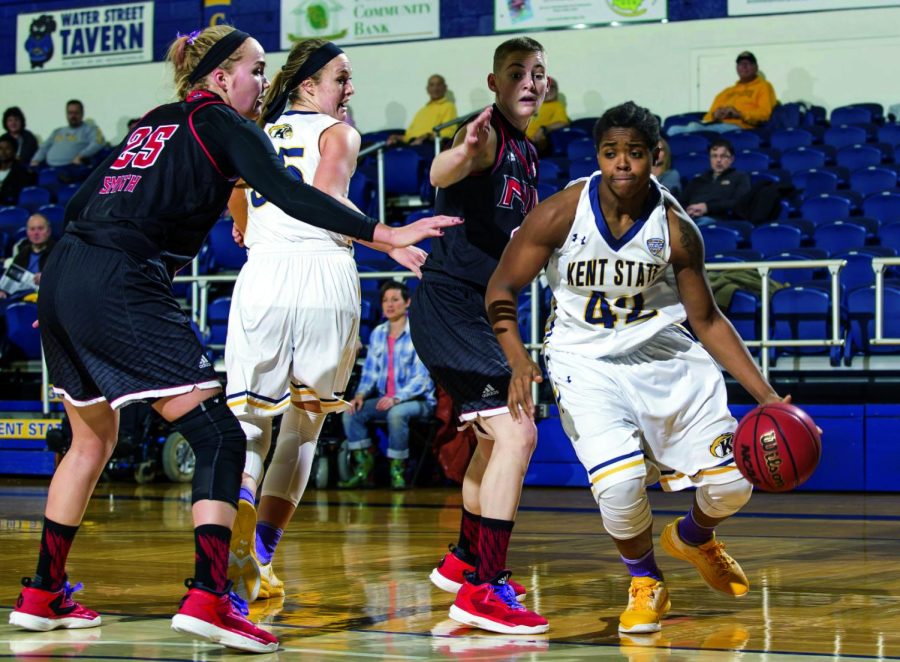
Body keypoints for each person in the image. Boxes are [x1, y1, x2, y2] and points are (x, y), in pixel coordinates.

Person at [6, 25, 458, 654]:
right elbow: (295, 196)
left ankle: (42, 592)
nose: (263, 80)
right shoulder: (221, 121)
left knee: (90, 440)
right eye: (255, 67)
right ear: (219, 78)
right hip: (124, 276)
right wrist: (388, 233)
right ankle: (210, 597)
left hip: (64, 273)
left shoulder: (155, 119)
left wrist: (73, 291)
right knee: (220, 435)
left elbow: (82, 199)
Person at [484, 100, 789, 635]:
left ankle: (693, 537)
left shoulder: (675, 229)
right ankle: (646, 579)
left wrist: (766, 396)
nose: (622, 163)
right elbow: (502, 287)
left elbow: (708, 319)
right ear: (598, 155)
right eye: (610, 152)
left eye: (635, 153)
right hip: (585, 362)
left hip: (667, 358)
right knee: (621, 486)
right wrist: (516, 356)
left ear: (656, 156)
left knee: (735, 484)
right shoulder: (561, 212)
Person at [222, 38, 433, 604]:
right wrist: (387, 241)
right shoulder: (339, 133)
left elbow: (237, 204)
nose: (350, 89)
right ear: (308, 86)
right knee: (303, 426)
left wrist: (245, 223)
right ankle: (261, 557)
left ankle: (233, 542)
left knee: (248, 423)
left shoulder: (253, 134)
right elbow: (324, 205)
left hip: (261, 279)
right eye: (341, 78)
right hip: (320, 278)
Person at [408, 36, 550, 635]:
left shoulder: (529, 151)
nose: (529, 81)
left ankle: (468, 558)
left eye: (538, 72)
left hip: (475, 308)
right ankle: (482, 588)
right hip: (451, 305)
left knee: (495, 440)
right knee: (517, 430)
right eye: (516, 72)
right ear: (494, 84)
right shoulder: (486, 131)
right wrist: (457, 152)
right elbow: (446, 168)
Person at [341, 280, 436, 490]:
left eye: (395, 299)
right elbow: (370, 373)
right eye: (385, 300)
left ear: (407, 302)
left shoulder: (418, 332)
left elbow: (422, 379)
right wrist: (360, 395)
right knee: (350, 412)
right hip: (385, 400)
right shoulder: (378, 333)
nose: (389, 304)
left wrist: (397, 398)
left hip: (417, 401)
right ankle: (364, 469)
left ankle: (398, 471)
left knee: (397, 413)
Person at [670, 52, 777, 135]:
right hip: (716, 125)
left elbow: (764, 114)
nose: (744, 66)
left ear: (756, 67)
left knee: (694, 128)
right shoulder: (726, 92)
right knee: (673, 129)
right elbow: (707, 117)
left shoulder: (764, 86)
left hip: (739, 128)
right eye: (740, 64)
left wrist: (739, 114)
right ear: (737, 68)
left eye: (748, 63)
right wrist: (715, 115)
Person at [680, 138, 750, 226]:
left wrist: (707, 207)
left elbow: (739, 202)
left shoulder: (740, 177)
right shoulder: (698, 179)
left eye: (723, 156)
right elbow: (681, 201)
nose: (718, 160)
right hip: (690, 218)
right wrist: (689, 209)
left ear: (731, 159)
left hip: (717, 220)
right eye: (714, 156)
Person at [29, 100, 105, 168]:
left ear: (82, 113)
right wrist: (36, 160)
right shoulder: (58, 131)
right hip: (49, 168)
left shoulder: (90, 129)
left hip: (72, 168)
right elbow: (45, 147)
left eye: (76, 113)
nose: (73, 116)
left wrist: (81, 155)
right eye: (70, 113)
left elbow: (98, 143)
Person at [388, 74, 458, 145]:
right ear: (427, 89)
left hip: (428, 145)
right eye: (432, 85)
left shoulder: (448, 106)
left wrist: (427, 136)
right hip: (412, 145)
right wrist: (398, 137)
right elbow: (409, 136)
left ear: (445, 87)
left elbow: (449, 132)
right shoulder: (422, 110)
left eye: (438, 85)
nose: (435, 88)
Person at [0, 213, 54, 300]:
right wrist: (2, 290)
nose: (36, 233)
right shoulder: (21, 249)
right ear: (27, 232)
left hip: (43, 297)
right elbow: (11, 276)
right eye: (32, 229)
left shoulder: (57, 251)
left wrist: (48, 278)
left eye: (40, 229)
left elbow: (64, 279)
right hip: (18, 296)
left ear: (48, 231)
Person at [525, 76, 569, 155]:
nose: (548, 90)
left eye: (552, 87)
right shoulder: (533, 104)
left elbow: (563, 123)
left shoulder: (556, 106)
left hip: (537, 142)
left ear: (556, 90)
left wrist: (544, 128)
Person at [0, 134, 35, 206]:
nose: (2, 152)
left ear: (14, 151)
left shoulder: (24, 174)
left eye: (7, 148)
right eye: (0, 148)